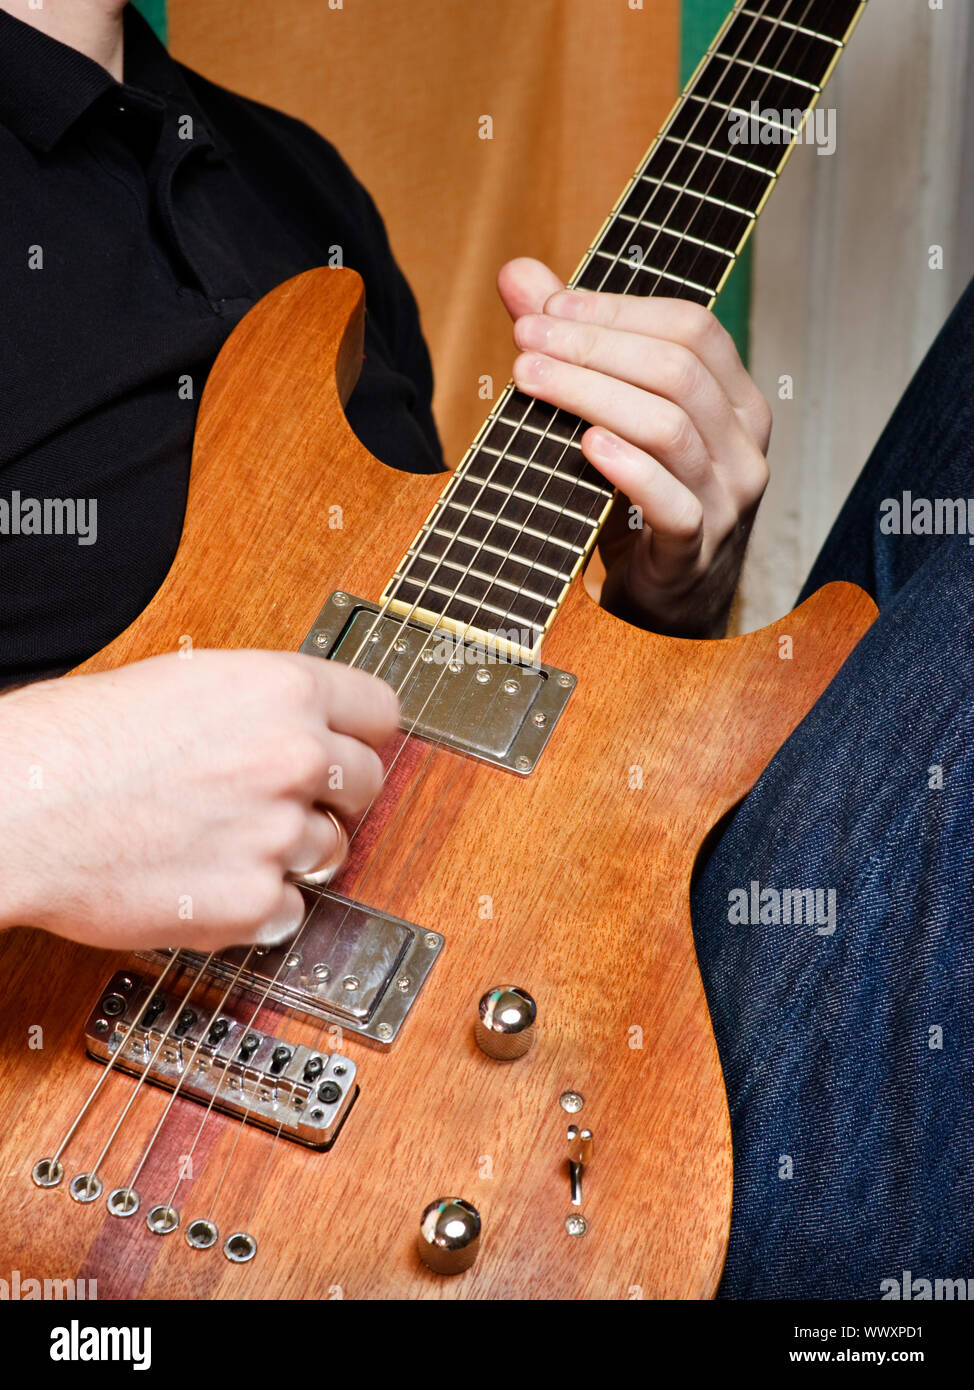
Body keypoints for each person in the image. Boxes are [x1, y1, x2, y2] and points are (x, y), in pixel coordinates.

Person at [0, 1, 968, 1298]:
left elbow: (491, 726)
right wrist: (36, 792)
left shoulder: (290, 183)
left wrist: (672, 586)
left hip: (555, 1071)